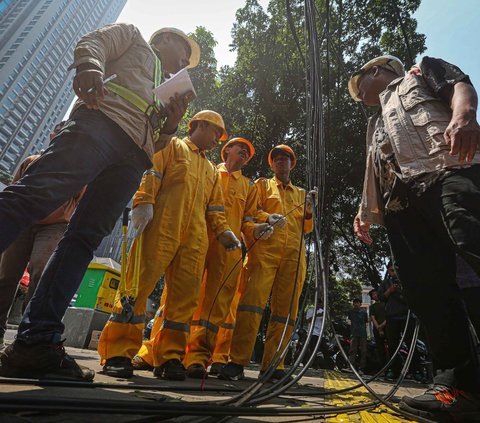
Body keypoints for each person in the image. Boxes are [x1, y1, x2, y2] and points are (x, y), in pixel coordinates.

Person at [0, 24, 199, 381]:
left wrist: (170, 123)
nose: (185, 61)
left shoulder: (163, 90)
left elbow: (160, 145)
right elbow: (93, 41)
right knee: (34, 195)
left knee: (83, 239)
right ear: (165, 39)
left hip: (133, 158)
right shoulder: (134, 38)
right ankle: (37, 340)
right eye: (184, 52)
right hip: (99, 124)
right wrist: (90, 64)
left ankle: (37, 343)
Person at [349, 54, 480, 420]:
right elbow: (373, 169)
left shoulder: (421, 72)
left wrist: (463, 116)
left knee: (474, 249)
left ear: (376, 70)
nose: (359, 95)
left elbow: (459, 84)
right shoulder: (374, 123)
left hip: (447, 169)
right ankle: (459, 388)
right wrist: (364, 212)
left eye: (360, 86)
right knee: (427, 290)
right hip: (401, 207)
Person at [98, 110, 242, 380]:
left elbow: (215, 209)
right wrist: (144, 202)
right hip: (162, 225)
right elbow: (151, 173)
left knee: (184, 299)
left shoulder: (211, 169)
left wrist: (224, 233)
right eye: (216, 133)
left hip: (195, 238)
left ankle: (170, 356)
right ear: (200, 125)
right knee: (137, 286)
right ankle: (118, 352)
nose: (217, 140)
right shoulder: (172, 146)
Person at [220, 144, 315, 381]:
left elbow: (307, 228)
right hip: (264, 254)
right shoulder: (261, 186)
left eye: (286, 159)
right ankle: (237, 362)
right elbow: (250, 214)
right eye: (277, 159)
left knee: (286, 313)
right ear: (271, 164)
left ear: (293, 164)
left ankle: (274, 365)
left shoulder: (302, 194)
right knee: (251, 306)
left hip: (294, 257)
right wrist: (266, 218)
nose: (281, 162)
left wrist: (311, 211)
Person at [183, 137, 273, 379]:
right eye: (239, 148)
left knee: (215, 306)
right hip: (196, 239)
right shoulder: (209, 171)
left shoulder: (248, 186)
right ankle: (160, 353)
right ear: (226, 150)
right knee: (182, 295)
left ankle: (197, 358)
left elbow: (249, 219)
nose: (244, 152)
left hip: (228, 251)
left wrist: (258, 229)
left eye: (248, 152)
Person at [0, 122, 85, 349]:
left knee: (41, 271)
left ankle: (27, 338)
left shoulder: (77, 169)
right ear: (52, 136)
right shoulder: (32, 161)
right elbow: (15, 188)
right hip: (23, 222)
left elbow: (77, 200)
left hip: (54, 225)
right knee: (6, 275)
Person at [347, 298, 368, 373]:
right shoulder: (351, 312)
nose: (356, 304)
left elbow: (366, 322)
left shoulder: (364, 312)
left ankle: (362, 368)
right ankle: (351, 367)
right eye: (354, 303)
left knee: (363, 351)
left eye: (357, 303)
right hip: (354, 333)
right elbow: (349, 320)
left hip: (362, 333)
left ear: (360, 304)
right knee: (352, 350)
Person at [368, 289, 386, 370]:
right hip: (377, 329)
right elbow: (372, 318)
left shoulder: (385, 303)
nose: (375, 295)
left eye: (376, 294)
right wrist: (379, 328)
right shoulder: (372, 307)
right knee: (380, 348)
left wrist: (382, 325)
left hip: (387, 327)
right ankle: (383, 368)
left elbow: (389, 315)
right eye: (373, 295)